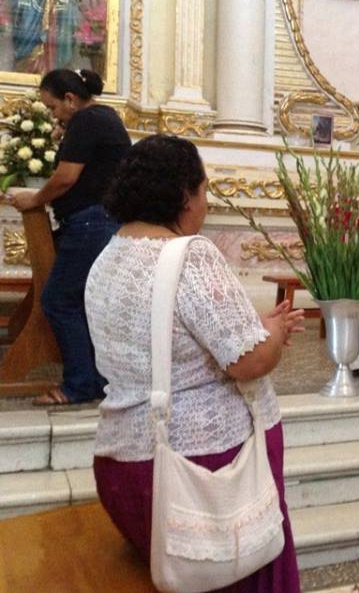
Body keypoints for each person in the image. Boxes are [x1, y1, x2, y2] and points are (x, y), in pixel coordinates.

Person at [85, 134, 304, 590]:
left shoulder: (109, 256)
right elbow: (249, 361)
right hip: (200, 471)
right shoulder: (190, 255)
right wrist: (276, 335)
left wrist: (252, 324)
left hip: (124, 465)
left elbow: (171, 336)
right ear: (184, 194)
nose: (205, 203)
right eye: (204, 190)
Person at [10, 69, 131, 405]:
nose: (53, 115)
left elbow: (65, 178)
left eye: (53, 108)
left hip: (91, 222)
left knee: (59, 300)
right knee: (82, 301)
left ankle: (79, 385)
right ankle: (94, 379)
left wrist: (34, 199)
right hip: (99, 219)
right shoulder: (101, 117)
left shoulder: (88, 120)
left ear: (70, 98)